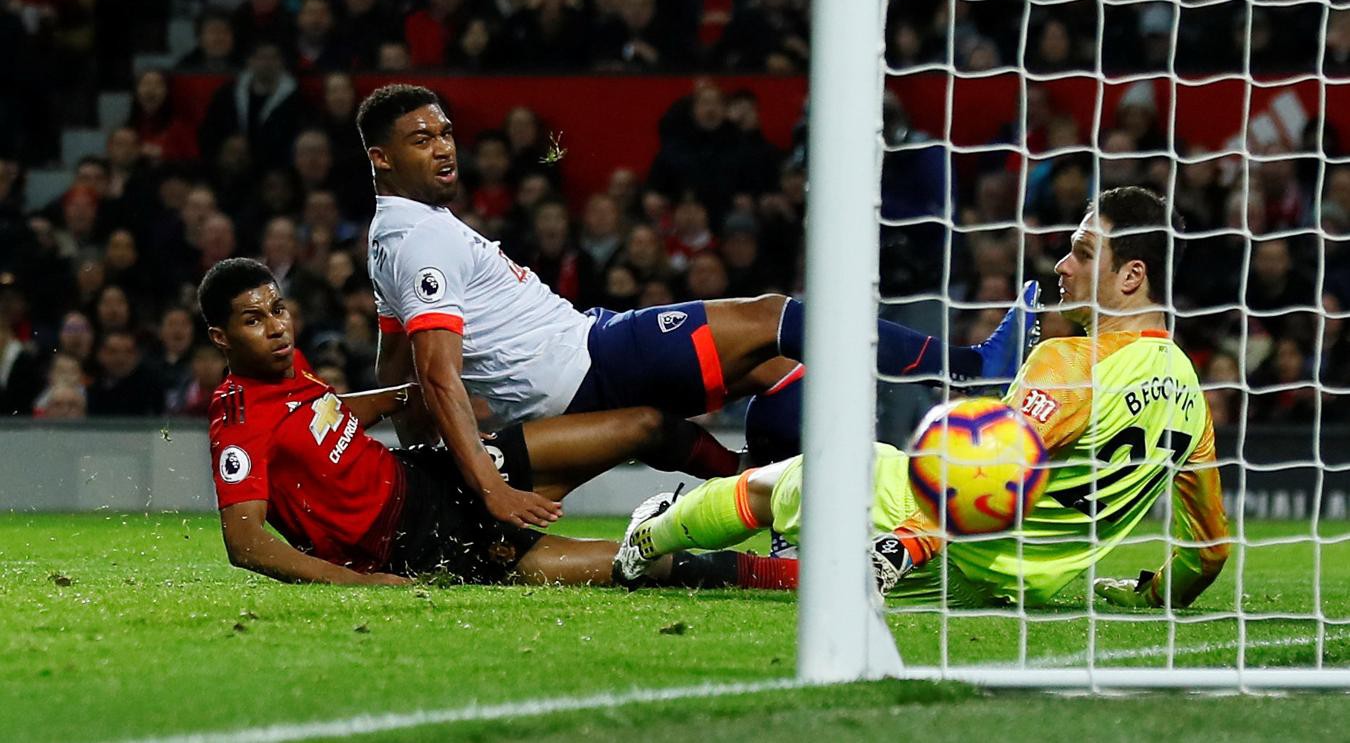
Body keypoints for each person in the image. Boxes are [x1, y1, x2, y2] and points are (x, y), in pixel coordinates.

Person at [357, 83, 1038, 531]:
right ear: (381, 159)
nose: (445, 146)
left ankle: (770, 498)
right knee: (777, 316)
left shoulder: (390, 238)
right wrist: (487, 486)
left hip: (578, 366)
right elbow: (437, 373)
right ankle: (972, 368)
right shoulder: (421, 240)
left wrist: (415, 468)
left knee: (774, 370)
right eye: (423, 139)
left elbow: (400, 377)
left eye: (445, 132)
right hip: (590, 360)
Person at [617, 187, 1231, 610]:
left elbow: (986, 474)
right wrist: (1149, 596)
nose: (1063, 265)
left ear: (1132, 276)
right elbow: (1209, 552)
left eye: (1084, 251)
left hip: (923, 517)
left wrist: (909, 541)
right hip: (998, 585)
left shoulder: (1070, 360)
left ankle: (650, 538)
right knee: (823, 586)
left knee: (768, 486)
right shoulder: (1191, 399)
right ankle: (694, 570)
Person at [200, 257, 776, 588]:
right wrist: (366, 584)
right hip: (420, 545)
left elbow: (320, 421)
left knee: (649, 424)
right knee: (650, 567)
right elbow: (246, 543)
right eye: (255, 320)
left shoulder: (289, 371)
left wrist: (399, 395)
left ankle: (766, 493)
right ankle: (790, 575)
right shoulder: (239, 421)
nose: (277, 326)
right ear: (222, 338)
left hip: (435, 475)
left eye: (277, 309)